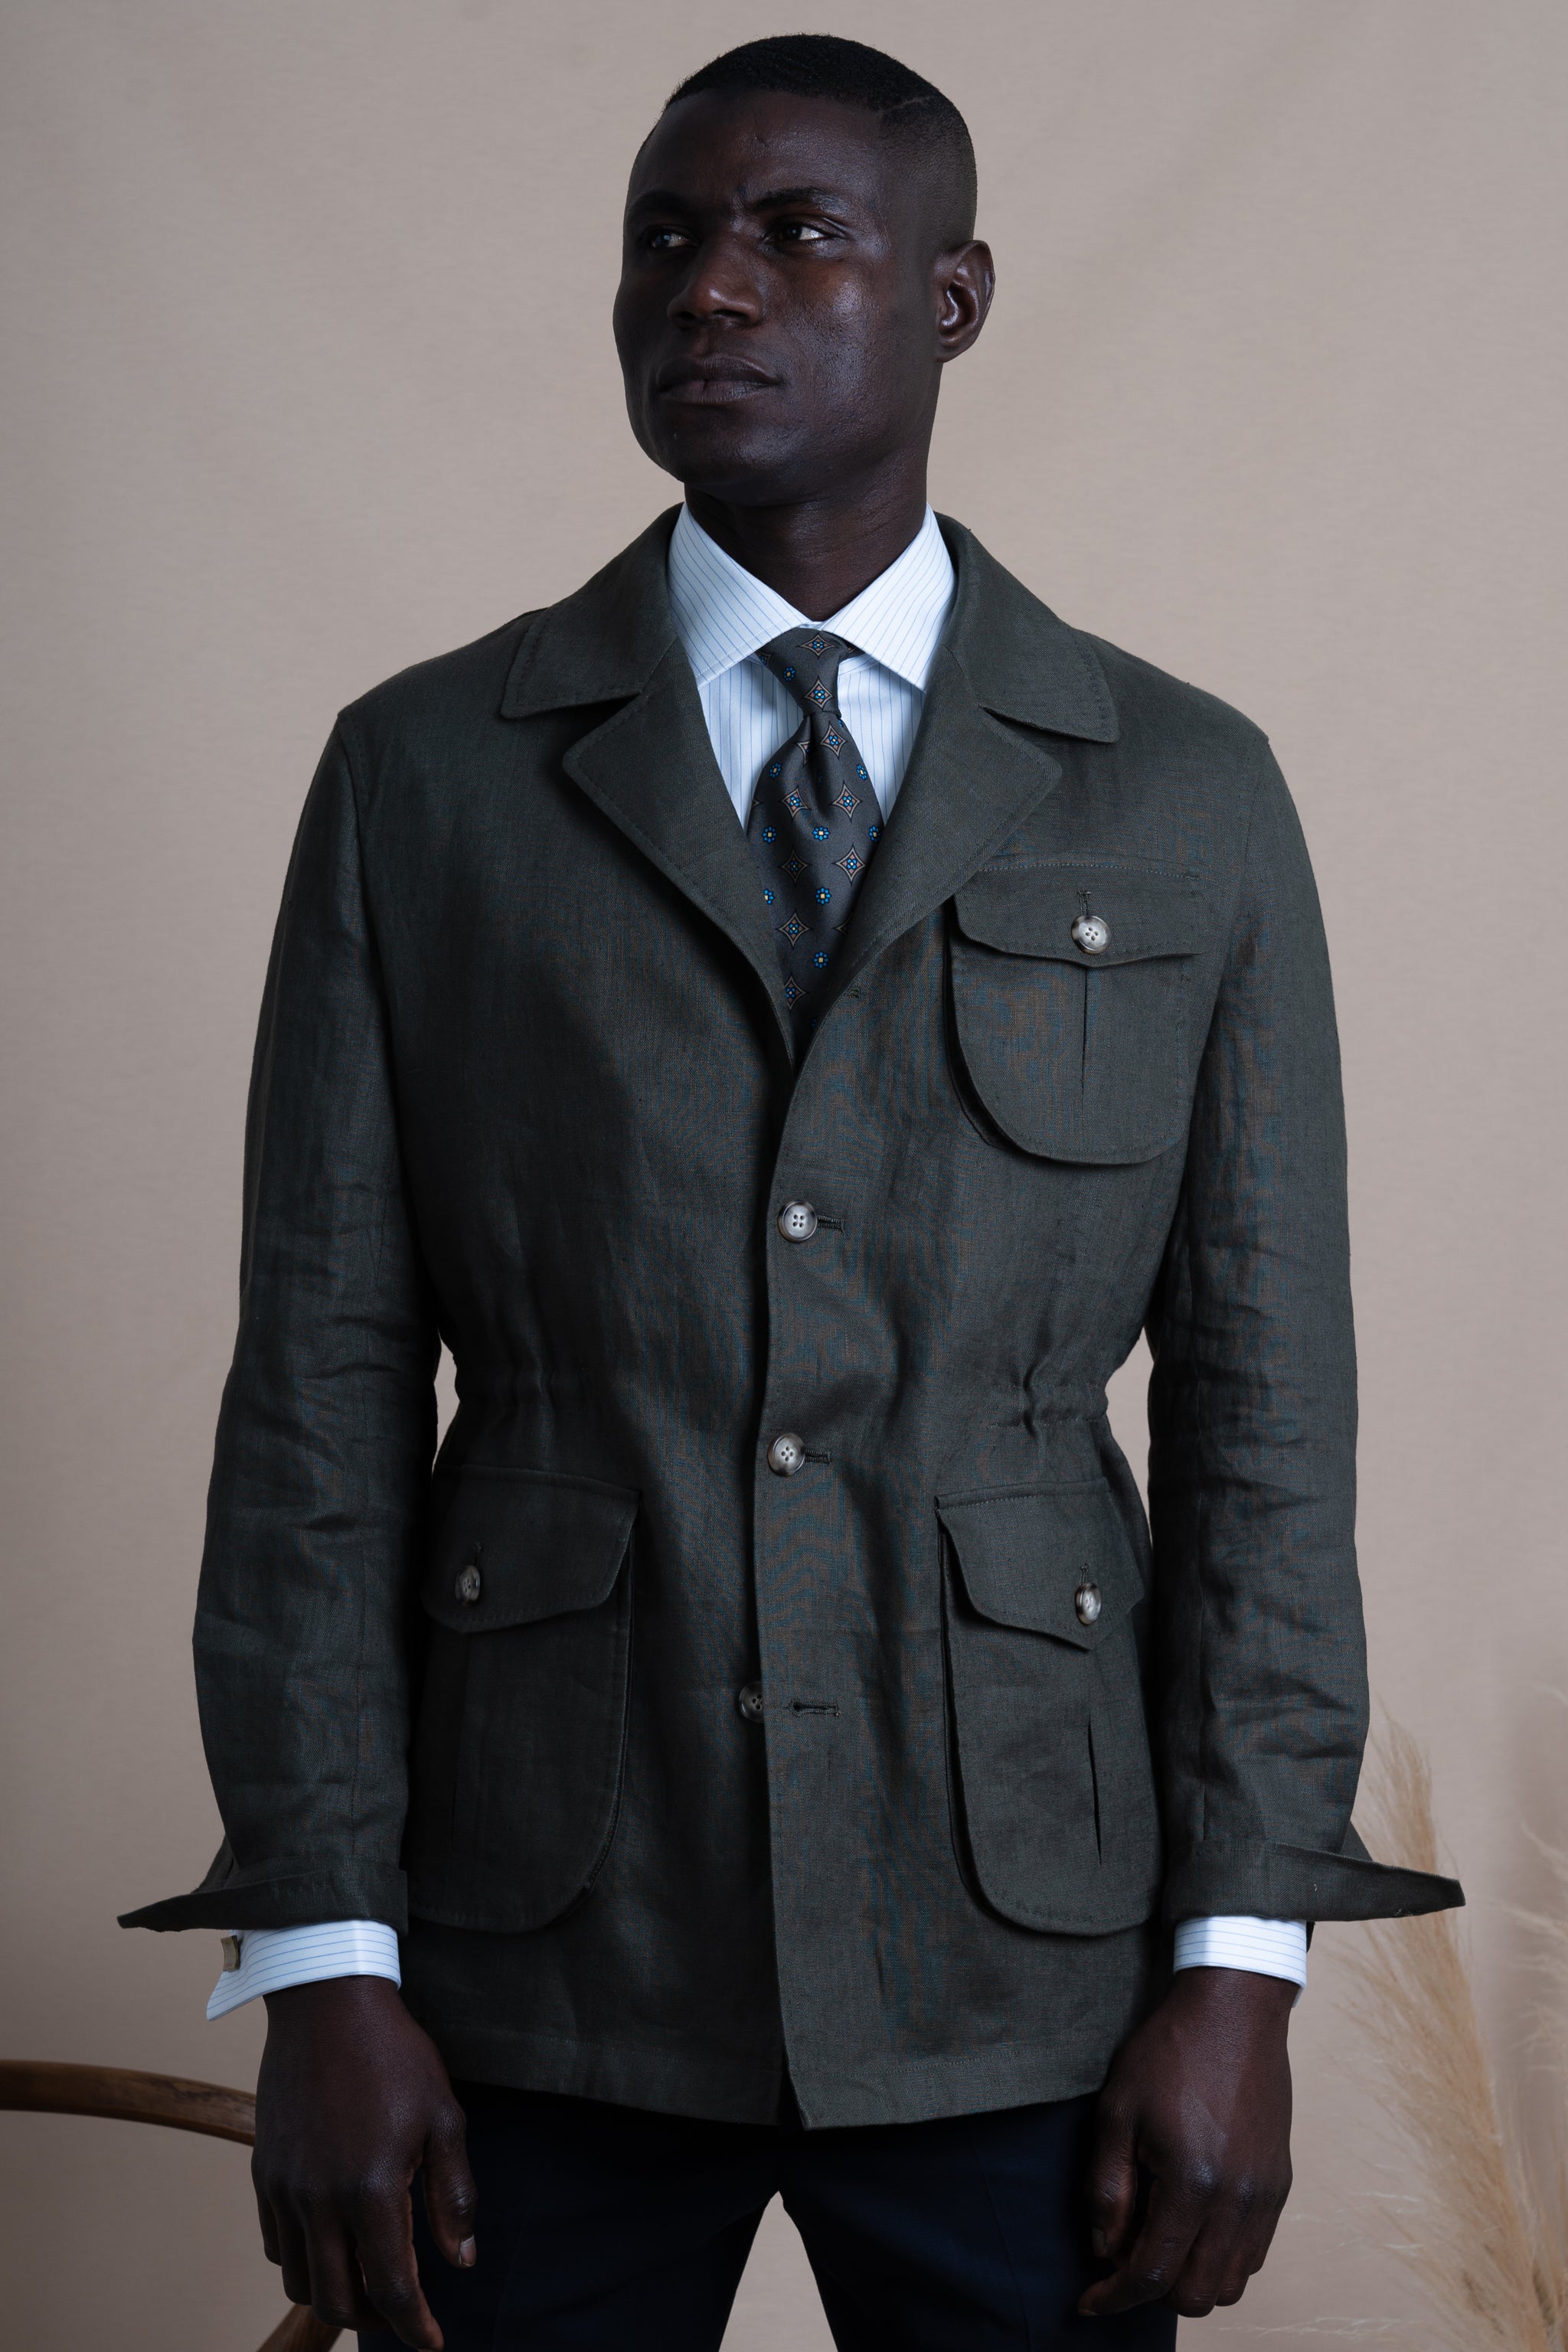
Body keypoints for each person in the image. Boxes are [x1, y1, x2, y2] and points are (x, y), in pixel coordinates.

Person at [123, 34, 1460, 2349]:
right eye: (664, 238)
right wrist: (322, 1957)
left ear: (952, 297)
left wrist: (1242, 1962)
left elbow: (1269, 1419)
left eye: (791, 234)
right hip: (536, 1954)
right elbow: (317, 1401)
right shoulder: (426, 777)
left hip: (1029, 1959)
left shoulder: (1182, 791)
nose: (708, 289)